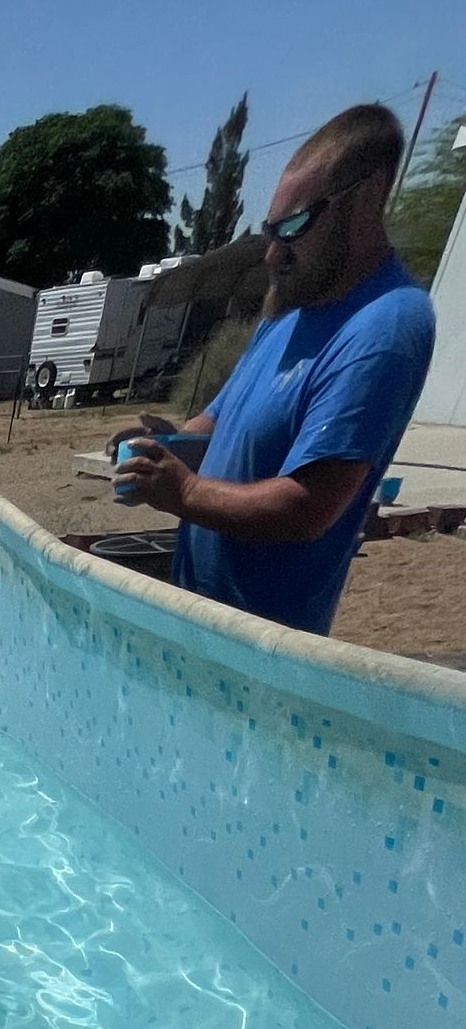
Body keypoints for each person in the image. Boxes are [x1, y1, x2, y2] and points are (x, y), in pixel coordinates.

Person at [112, 103, 435, 636]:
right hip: (205, 621)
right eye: (271, 231)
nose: (272, 256)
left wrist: (185, 494)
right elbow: (220, 419)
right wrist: (165, 446)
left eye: (293, 228)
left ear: (367, 198)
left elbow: (306, 507)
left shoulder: (386, 325)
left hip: (263, 650)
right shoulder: (292, 306)